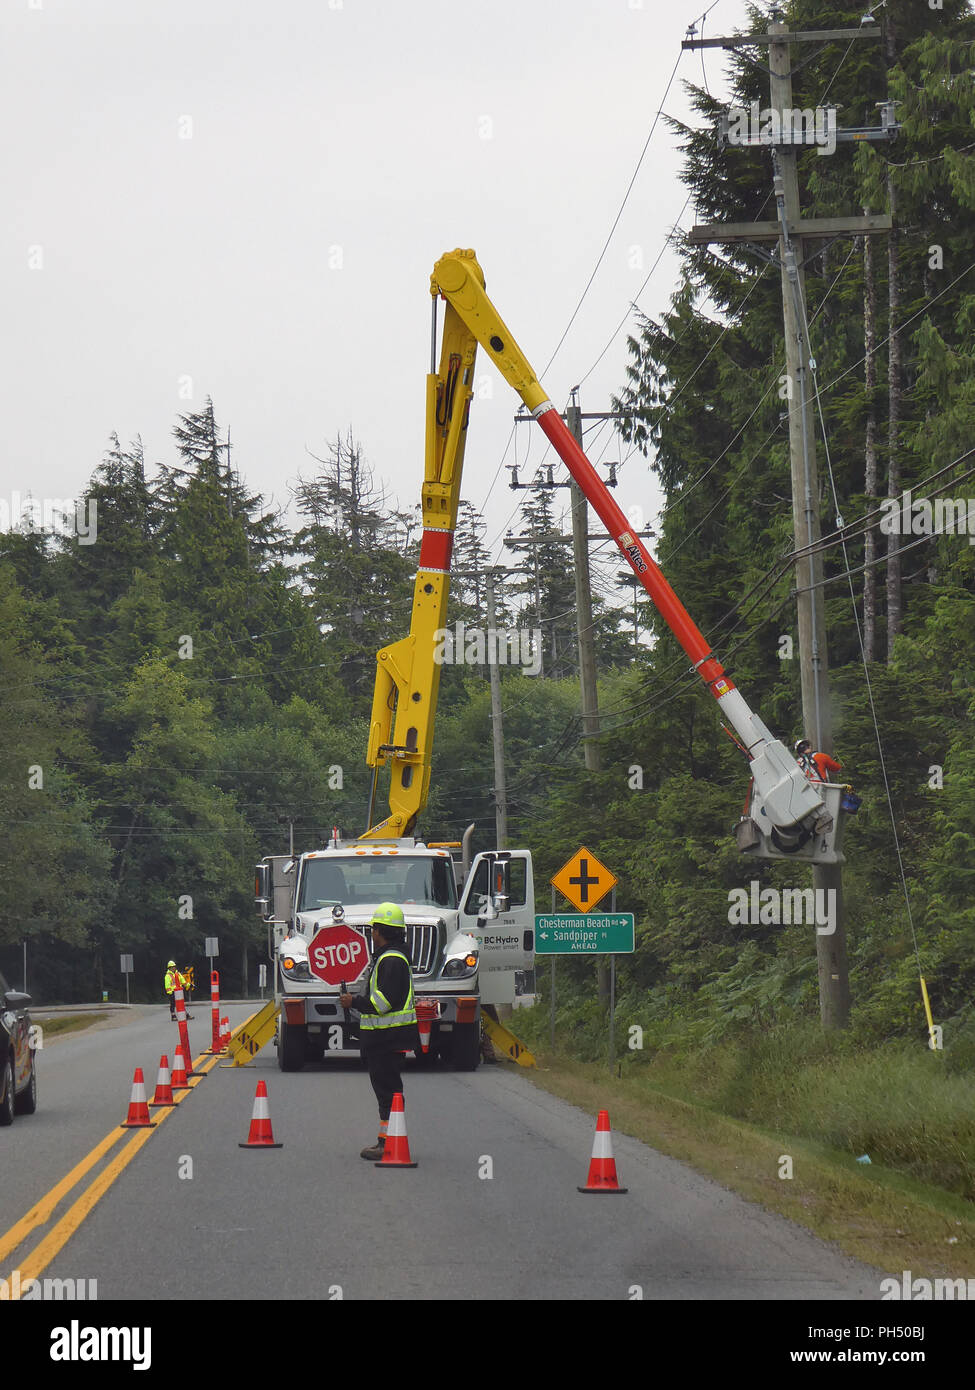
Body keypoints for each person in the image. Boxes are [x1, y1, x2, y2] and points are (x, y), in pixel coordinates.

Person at [339, 903, 420, 1161]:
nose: (372, 934)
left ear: (381, 931)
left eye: (374, 929)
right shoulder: (391, 957)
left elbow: (383, 1003)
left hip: (387, 1038)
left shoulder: (391, 960)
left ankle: (388, 1143)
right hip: (386, 1038)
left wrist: (354, 1002)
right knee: (388, 1090)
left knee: (388, 1092)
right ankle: (388, 1140)